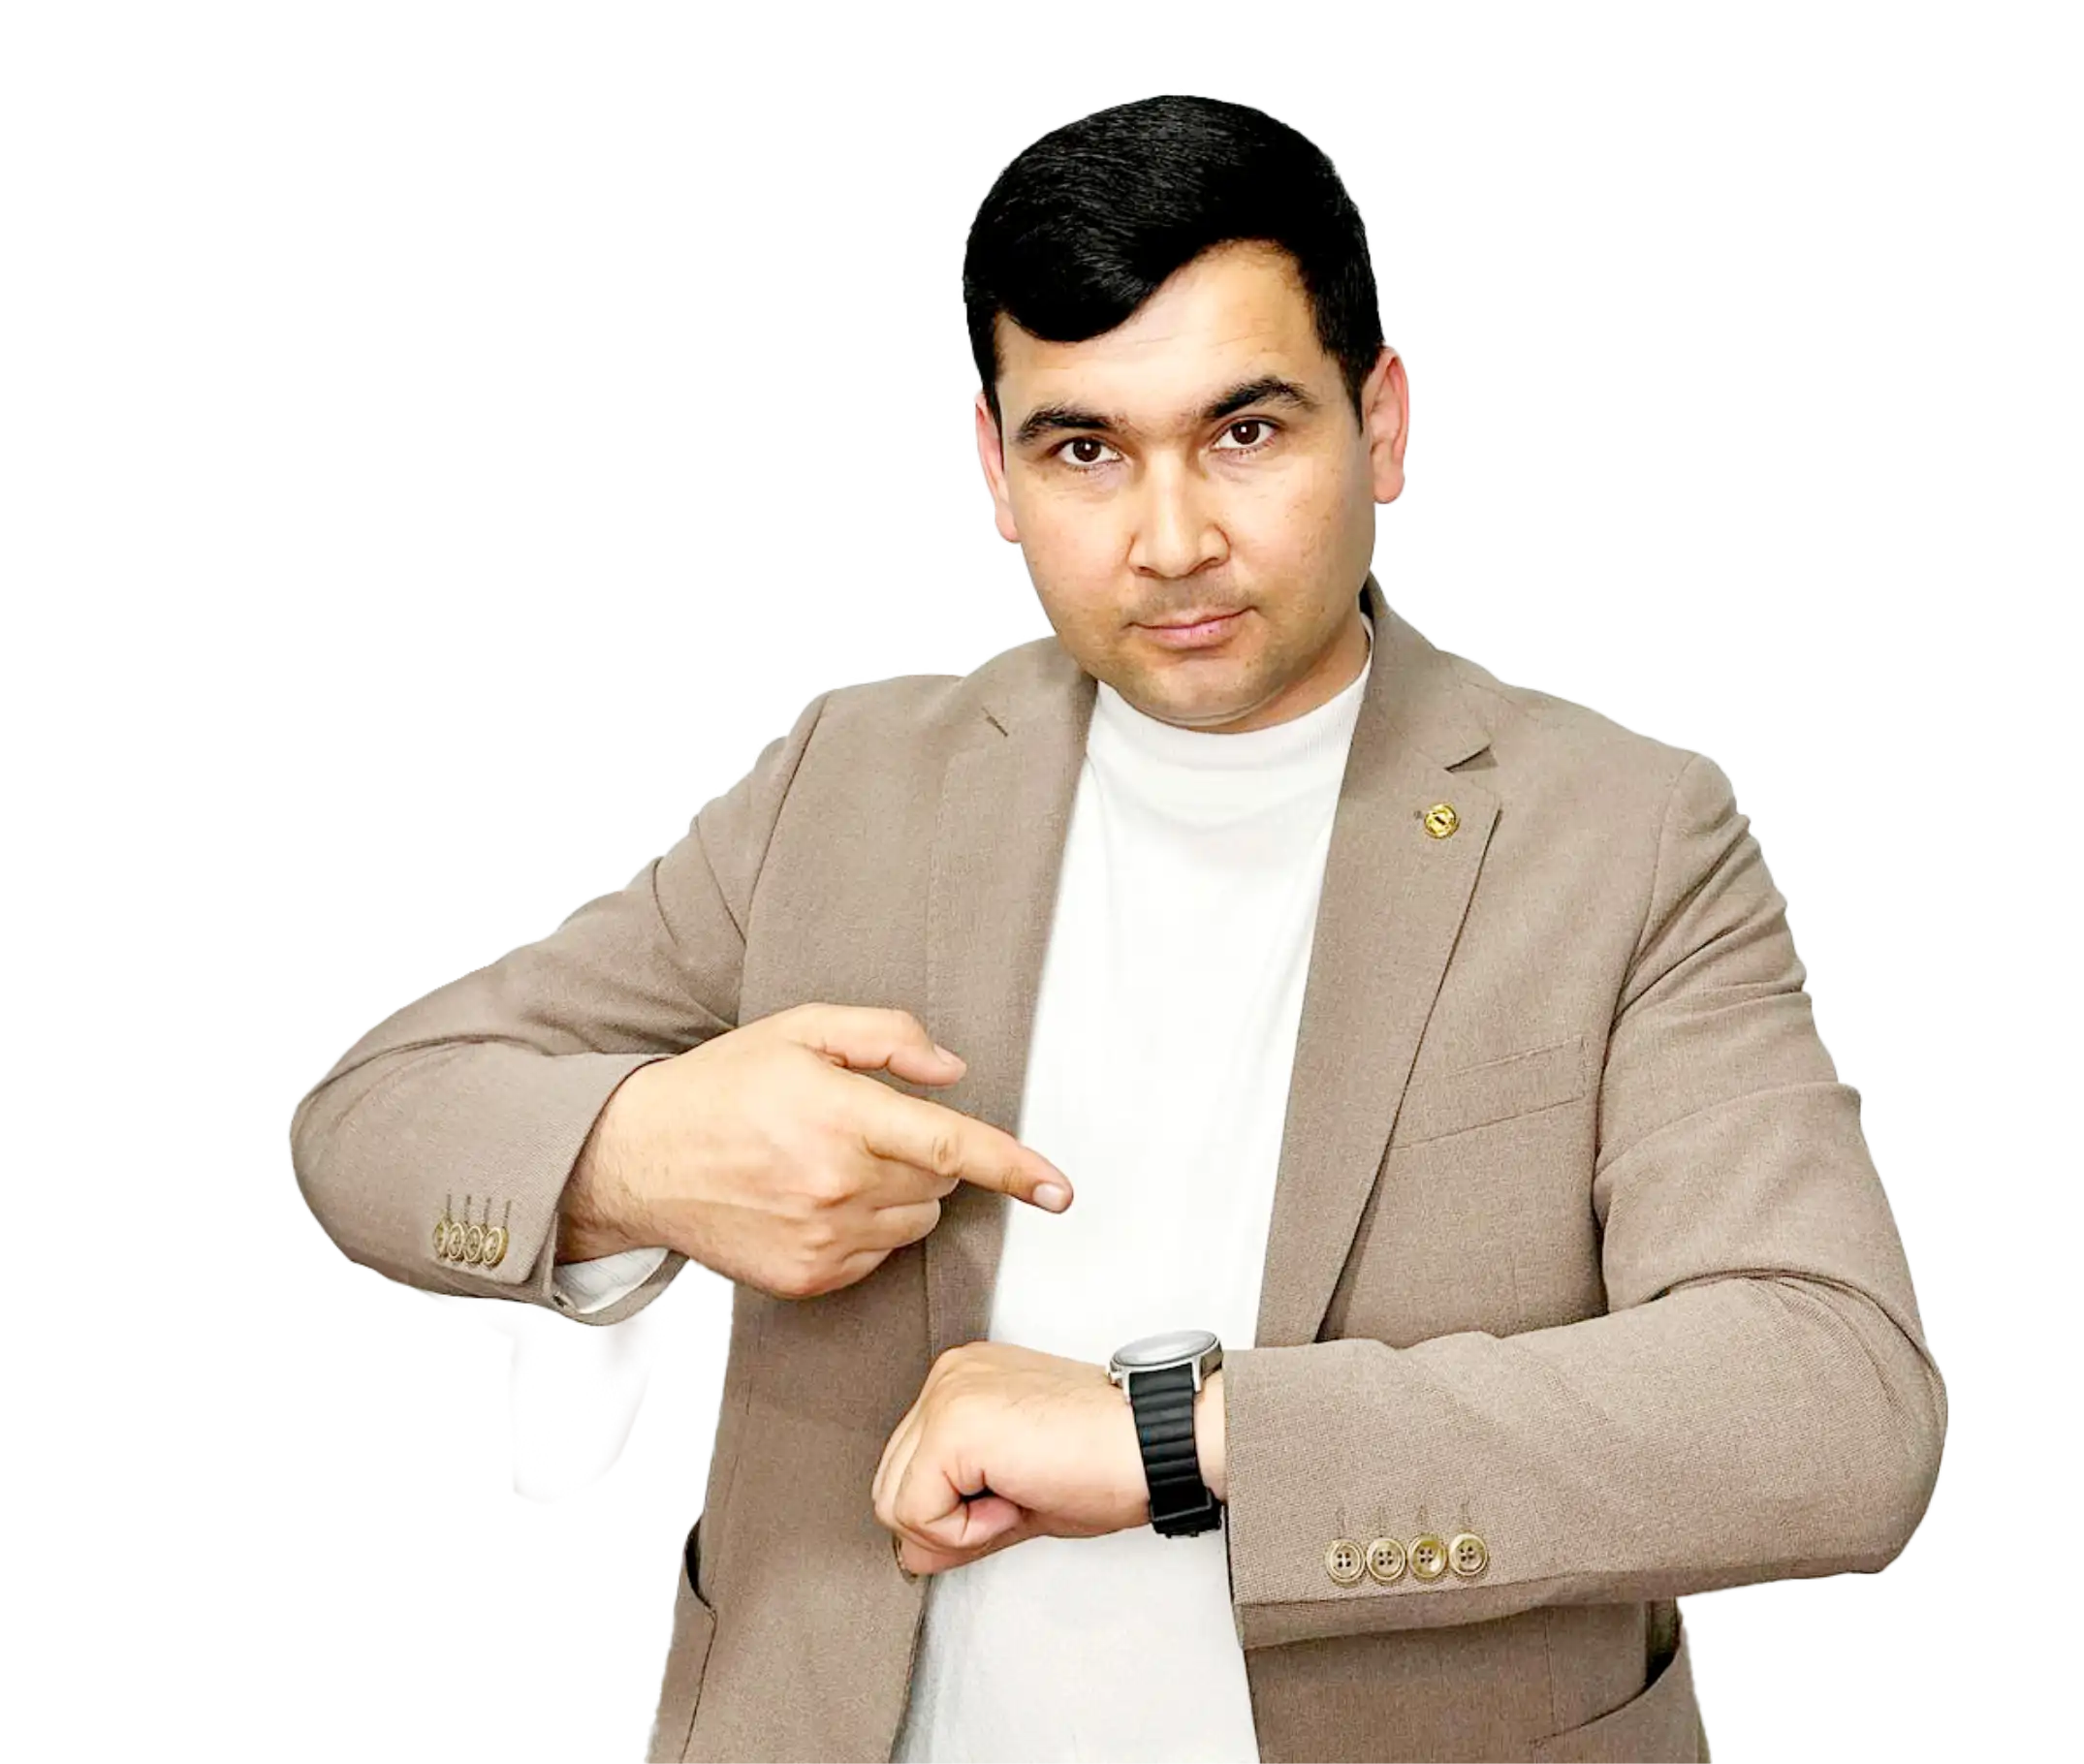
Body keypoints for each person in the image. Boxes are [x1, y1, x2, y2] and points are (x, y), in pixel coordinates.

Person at [285, 89, 1947, 1763]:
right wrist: (638, 1156)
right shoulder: (846, 780)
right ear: (992, 465)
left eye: (1245, 431)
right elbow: (371, 1113)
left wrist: (1178, 1437)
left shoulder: (1628, 834)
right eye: (1084, 449)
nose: (1170, 541)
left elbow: (1833, 1402)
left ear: (1382, 424)